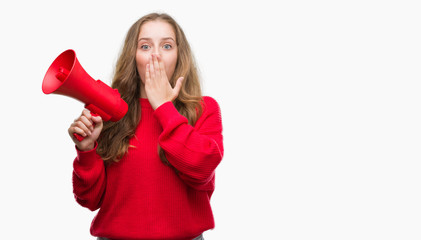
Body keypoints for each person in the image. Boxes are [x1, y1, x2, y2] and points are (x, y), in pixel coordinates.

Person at [68, 13, 224, 240]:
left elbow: (201, 169)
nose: (156, 56)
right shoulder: (111, 111)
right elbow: (89, 200)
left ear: (180, 56)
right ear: (133, 56)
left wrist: (162, 106)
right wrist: (87, 151)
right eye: (145, 46)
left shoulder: (204, 109)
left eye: (167, 46)